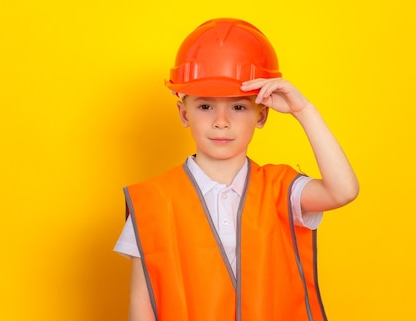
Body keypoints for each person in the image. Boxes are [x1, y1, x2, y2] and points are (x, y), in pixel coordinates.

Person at [113, 18, 359, 321]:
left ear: (262, 115)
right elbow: (142, 306)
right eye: (205, 106)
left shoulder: (281, 188)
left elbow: (343, 191)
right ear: (183, 112)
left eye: (238, 107)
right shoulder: (150, 202)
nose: (221, 121)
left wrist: (304, 111)